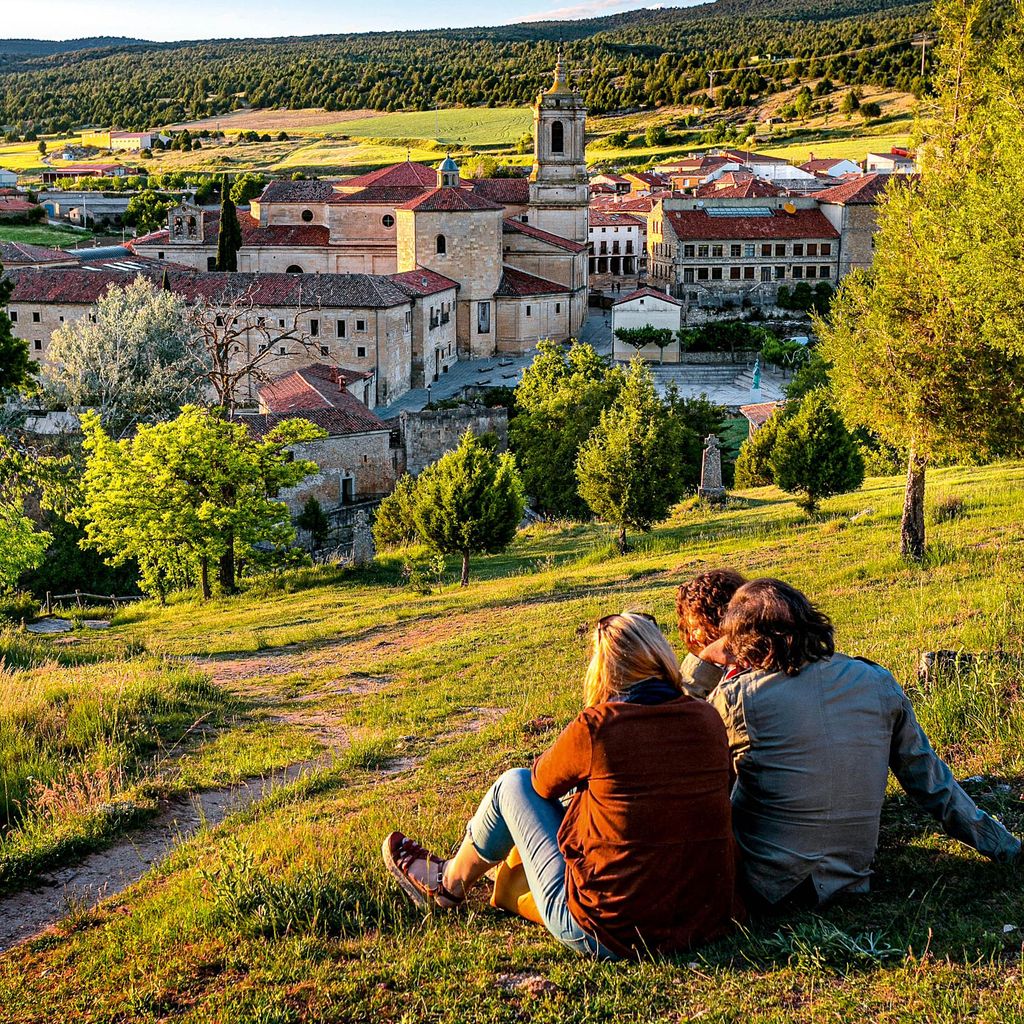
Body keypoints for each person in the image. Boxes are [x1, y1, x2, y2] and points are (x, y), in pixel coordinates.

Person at [382, 611, 744, 959]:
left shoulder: (598, 726)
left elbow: (540, 785)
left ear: (603, 669)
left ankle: (448, 884)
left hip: (608, 931)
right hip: (705, 920)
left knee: (513, 784)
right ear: (661, 657)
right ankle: (467, 875)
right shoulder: (707, 719)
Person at [701, 577, 1021, 910]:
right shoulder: (876, 681)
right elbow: (931, 782)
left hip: (766, 883)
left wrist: (706, 663)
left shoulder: (736, 697)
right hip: (851, 878)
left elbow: (684, 751)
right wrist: (1003, 845)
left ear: (740, 642)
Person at [675, 568, 747, 698]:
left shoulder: (743, 672)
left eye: (696, 628)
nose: (691, 638)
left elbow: (685, 711)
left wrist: (704, 660)